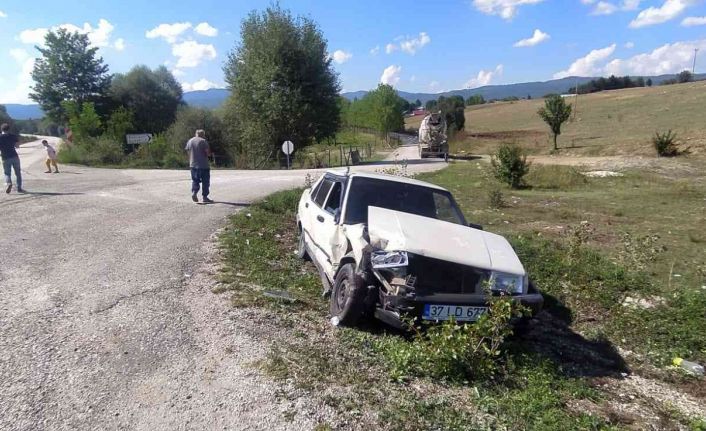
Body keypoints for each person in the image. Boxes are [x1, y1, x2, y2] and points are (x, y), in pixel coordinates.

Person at [184, 129, 213, 203]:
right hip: (203, 165)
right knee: (205, 181)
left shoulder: (190, 141)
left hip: (193, 164)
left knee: (195, 180)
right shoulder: (203, 141)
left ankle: (194, 192)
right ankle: (205, 197)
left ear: (196, 134)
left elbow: (187, 151)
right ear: (203, 134)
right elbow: (207, 153)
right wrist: (210, 154)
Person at [0, 123, 23, 194]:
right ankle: (19, 188)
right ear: (8, 129)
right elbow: (17, 146)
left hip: (5, 157)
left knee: (7, 173)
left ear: (1, 129)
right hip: (14, 156)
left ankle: (9, 183)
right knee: (18, 173)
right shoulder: (13, 136)